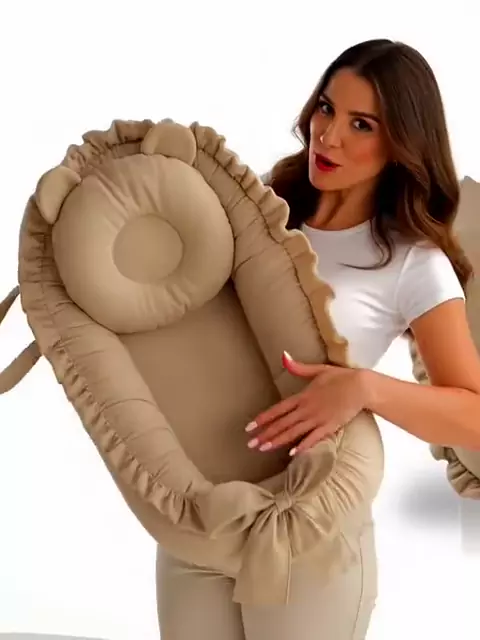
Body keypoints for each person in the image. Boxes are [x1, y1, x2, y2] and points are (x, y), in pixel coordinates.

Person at [156, 39, 480, 640]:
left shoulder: (413, 261)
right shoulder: (255, 211)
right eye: (327, 108)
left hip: (308, 531)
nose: (327, 136)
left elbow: (475, 416)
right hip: (201, 513)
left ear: (403, 143)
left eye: (362, 124)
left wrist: (364, 388)